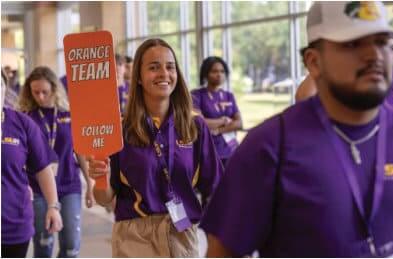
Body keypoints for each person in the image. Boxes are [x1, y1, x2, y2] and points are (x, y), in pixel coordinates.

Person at [200, 1, 393, 257]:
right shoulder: (269, 147)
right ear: (314, 62)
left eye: (381, 42)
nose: (374, 55)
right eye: (353, 44)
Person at [88, 38, 223, 257]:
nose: (163, 73)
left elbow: (216, 186)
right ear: (138, 78)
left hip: (181, 230)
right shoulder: (120, 129)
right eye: (153, 67)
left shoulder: (194, 125)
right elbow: (104, 198)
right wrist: (101, 177)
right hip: (134, 235)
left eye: (170, 67)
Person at [18, 66, 94, 257]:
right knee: (43, 244)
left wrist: (90, 185)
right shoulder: (27, 117)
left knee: (71, 245)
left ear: (54, 89)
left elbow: (81, 151)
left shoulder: (69, 114)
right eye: (35, 92)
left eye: (45, 91)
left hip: (69, 185)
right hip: (38, 188)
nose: (40, 97)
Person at [296, 39, 393, 130]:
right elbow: (304, 98)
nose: (388, 53)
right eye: (382, 47)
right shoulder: (355, 78)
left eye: (392, 48)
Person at [1, 67, 63, 258]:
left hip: (13, 225)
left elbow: (42, 167)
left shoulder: (22, 123)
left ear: (5, 87)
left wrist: (53, 206)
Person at [191, 56, 243, 166]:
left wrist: (218, 131)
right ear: (206, 74)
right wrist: (224, 120)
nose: (219, 74)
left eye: (222, 71)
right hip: (207, 153)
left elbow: (239, 123)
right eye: (214, 71)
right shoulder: (196, 95)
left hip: (231, 151)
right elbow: (199, 122)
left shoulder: (229, 96)